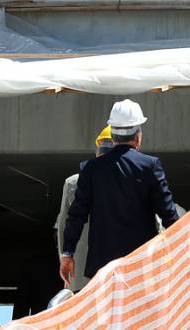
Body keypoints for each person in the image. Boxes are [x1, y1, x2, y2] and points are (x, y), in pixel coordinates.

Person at [59, 100, 180, 286]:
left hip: (102, 268)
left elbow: (76, 216)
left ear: (113, 137)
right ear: (138, 136)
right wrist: (181, 248)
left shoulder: (90, 169)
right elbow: (168, 214)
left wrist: (67, 253)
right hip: (140, 264)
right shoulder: (150, 166)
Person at [54, 126, 113, 292]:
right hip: (119, 275)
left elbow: (64, 229)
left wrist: (64, 258)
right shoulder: (132, 180)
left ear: (97, 151)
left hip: (81, 276)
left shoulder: (73, 183)